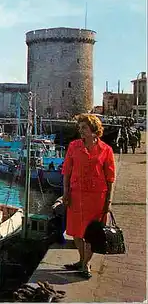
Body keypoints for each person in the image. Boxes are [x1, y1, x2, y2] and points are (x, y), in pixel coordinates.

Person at [61, 113, 115, 279]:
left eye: (84, 127)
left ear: (94, 130)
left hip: (97, 199)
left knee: (91, 234)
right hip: (76, 195)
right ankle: (82, 260)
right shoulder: (74, 147)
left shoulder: (106, 150)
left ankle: (85, 265)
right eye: (80, 127)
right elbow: (66, 172)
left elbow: (110, 178)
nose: (81, 130)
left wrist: (109, 201)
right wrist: (66, 192)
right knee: (76, 232)